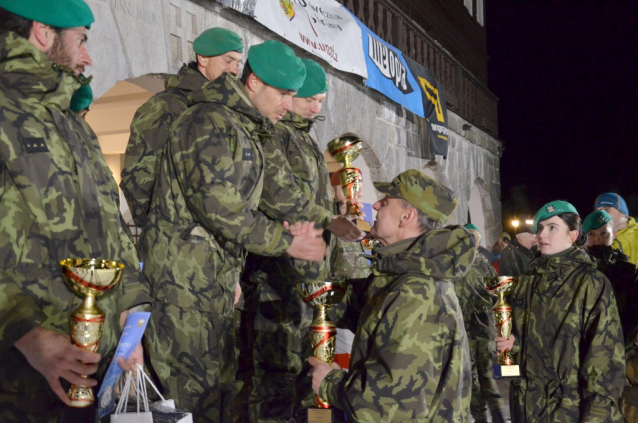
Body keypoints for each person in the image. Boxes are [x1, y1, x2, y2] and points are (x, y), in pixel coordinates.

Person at [139, 40, 327, 422]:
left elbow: (268, 200)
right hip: (182, 288)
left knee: (221, 393)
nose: (289, 106)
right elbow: (219, 206)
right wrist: (288, 242)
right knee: (190, 401)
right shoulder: (205, 121)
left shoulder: (243, 128)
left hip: (213, 284)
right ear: (254, 82)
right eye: (284, 95)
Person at [0, 1, 151, 421]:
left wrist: (130, 319)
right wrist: (26, 336)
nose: (87, 57)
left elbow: (113, 229)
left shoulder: (74, 127)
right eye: (80, 40)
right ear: (43, 33)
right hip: (17, 373)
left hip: (92, 363)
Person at [241, 61, 365, 422]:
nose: (315, 107)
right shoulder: (274, 134)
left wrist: (336, 207)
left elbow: (308, 201)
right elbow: (281, 198)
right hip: (278, 279)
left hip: (307, 280)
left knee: (302, 378)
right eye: (308, 99)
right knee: (274, 380)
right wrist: (330, 218)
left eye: (321, 101)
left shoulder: (304, 140)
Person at [307, 169, 474, 421]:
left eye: (385, 202)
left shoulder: (415, 291)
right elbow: (345, 305)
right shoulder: (400, 277)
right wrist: (329, 225)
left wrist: (329, 383)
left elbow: (389, 405)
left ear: (407, 216)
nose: (375, 205)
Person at [496, 200, 626, 422]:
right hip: (526, 407)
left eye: (552, 227)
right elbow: (528, 338)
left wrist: (596, 414)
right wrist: (512, 343)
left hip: (569, 410)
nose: (542, 234)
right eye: (540, 228)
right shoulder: (527, 281)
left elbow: (604, 358)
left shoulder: (590, 282)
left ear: (572, 236)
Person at [121, 27, 244, 231]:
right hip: (176, 245)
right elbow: (138, 176)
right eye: (228, 60)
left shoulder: (227, 112)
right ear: (203, 58)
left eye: (238, 63)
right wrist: (162, 230)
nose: (234, 70)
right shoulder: (167, 105)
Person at [583, 210, 638, 423]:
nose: (598, 239)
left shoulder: (626, 271)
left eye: (603, 234)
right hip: (585, 351)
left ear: (613, 234)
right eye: (592, 234)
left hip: (620, 349)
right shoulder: (578, 269)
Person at [458, 224, 506, 423]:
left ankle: (480, 418)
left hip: (465, 332)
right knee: (486, 376)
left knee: (471, 377)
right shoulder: (487, 267)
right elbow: (501, 299)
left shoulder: (456, 268)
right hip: (484, 329)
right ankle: (498, 417)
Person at [595, 192, 638, 265]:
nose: (601, 215)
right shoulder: (600, 245)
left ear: (623, 213)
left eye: (607, 210)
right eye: (598, 212)